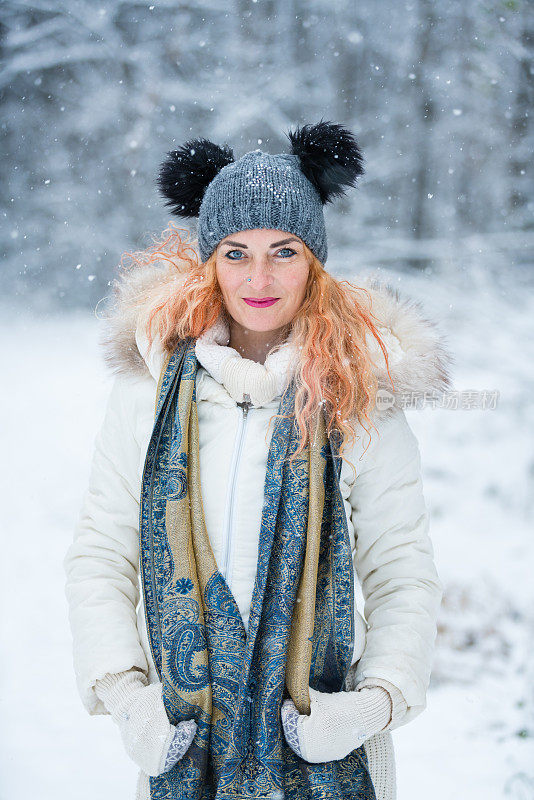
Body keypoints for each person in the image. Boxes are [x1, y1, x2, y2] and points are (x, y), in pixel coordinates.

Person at [63, 120, 451, 800]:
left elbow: (403, 570)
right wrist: (126, 697)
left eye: (285, 251)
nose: (260, 277)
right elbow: (100, 554)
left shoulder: (361, 394)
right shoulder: (150, 389)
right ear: (209, 259)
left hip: (325, 747)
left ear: (315, 261)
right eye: (236, 253)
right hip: (185, 748)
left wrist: (376, 702)